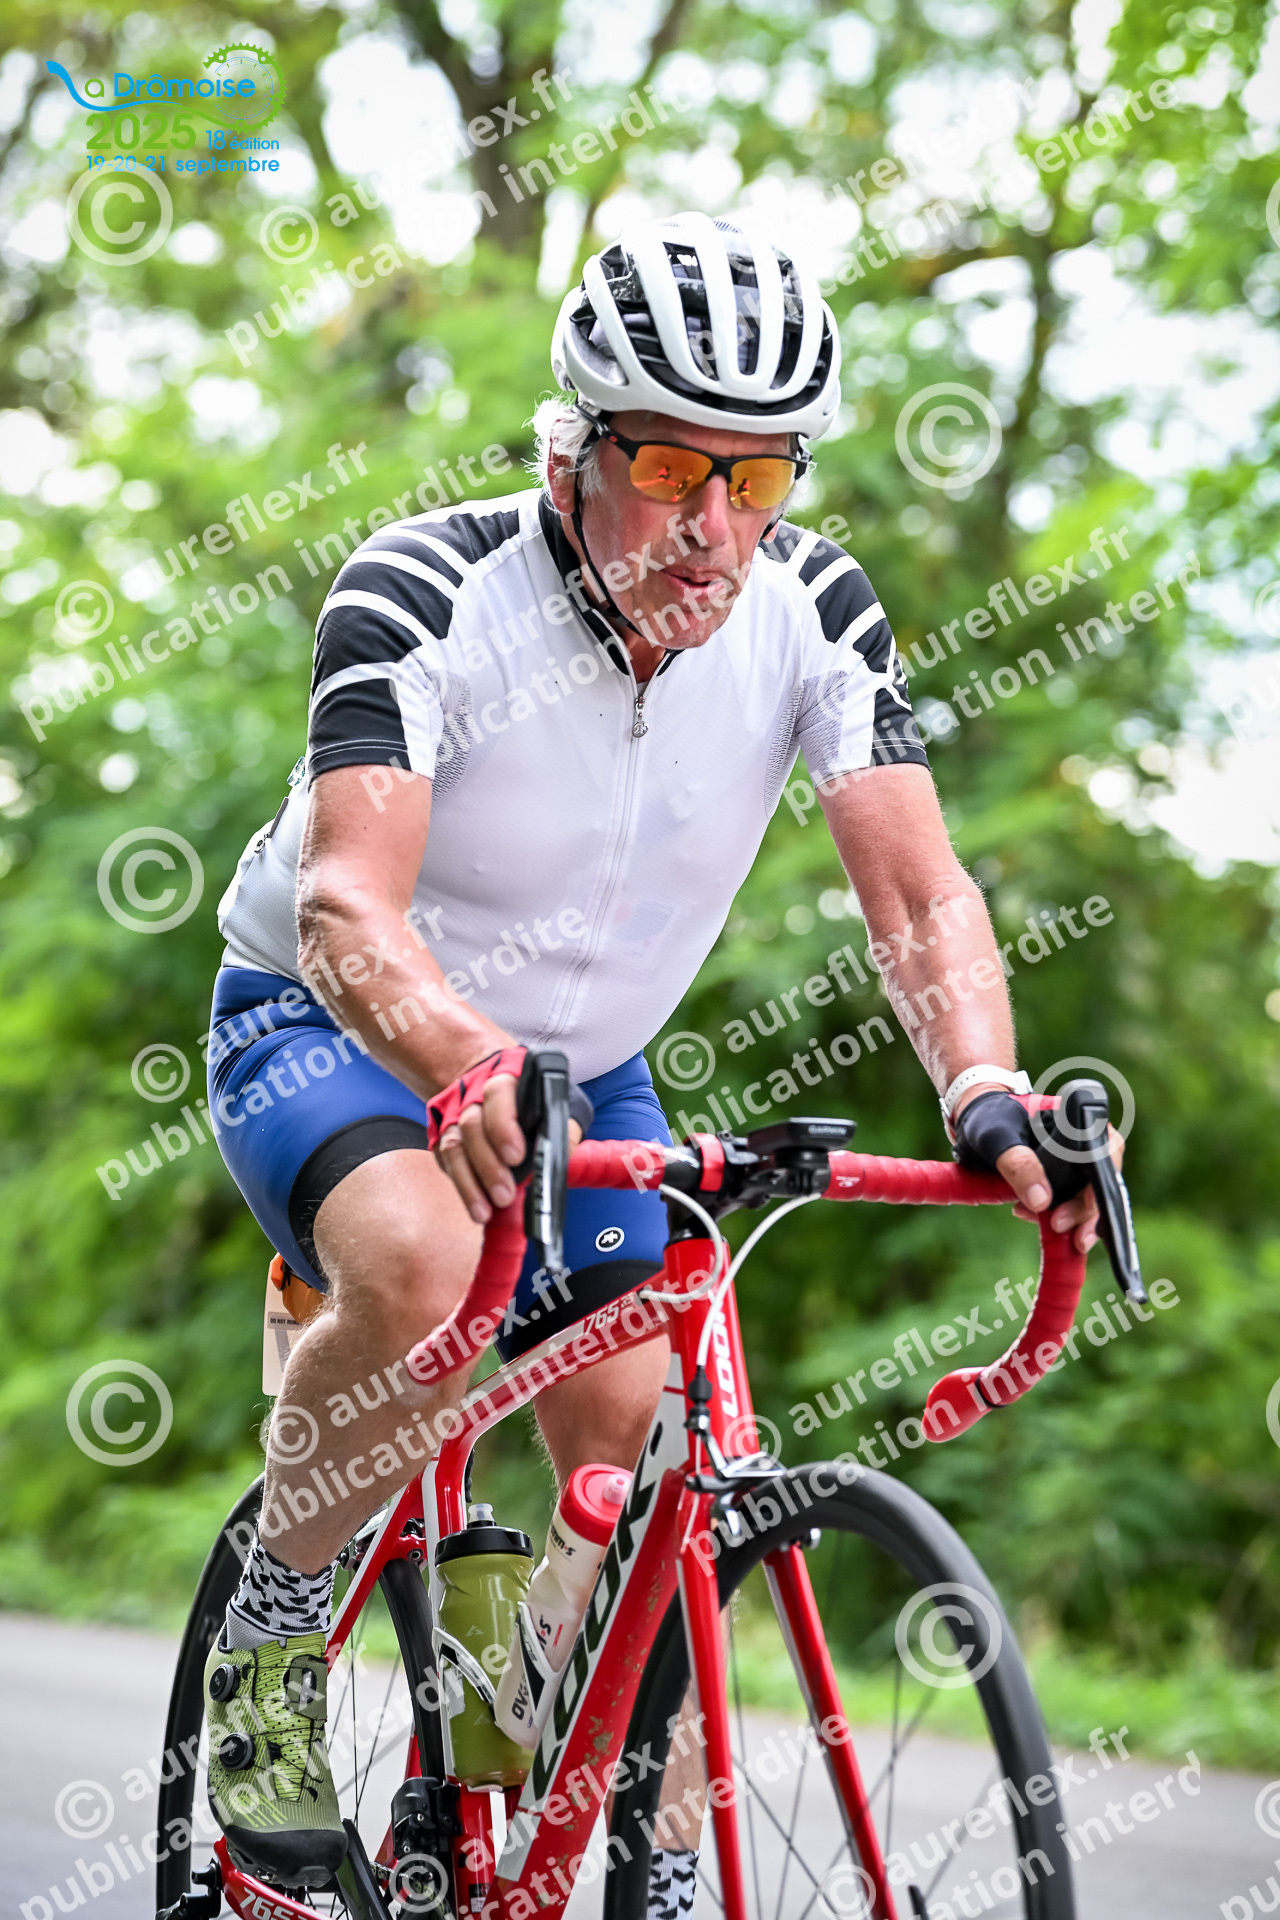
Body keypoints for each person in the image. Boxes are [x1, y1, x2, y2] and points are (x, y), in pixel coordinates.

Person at [201, 211, 1114, 1900]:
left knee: (654, 1475)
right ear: (572, 451)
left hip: (586, 1070)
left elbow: (921, 895)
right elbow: (344, 904)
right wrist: (461, 1061)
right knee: (418, 1264)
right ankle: (272, 1630)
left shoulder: (812, 610)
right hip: (338, 1021)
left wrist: (985, 1088)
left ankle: (595, 1812)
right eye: (674, 468)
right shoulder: (423, 587)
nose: (715, 529)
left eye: (756, 480)